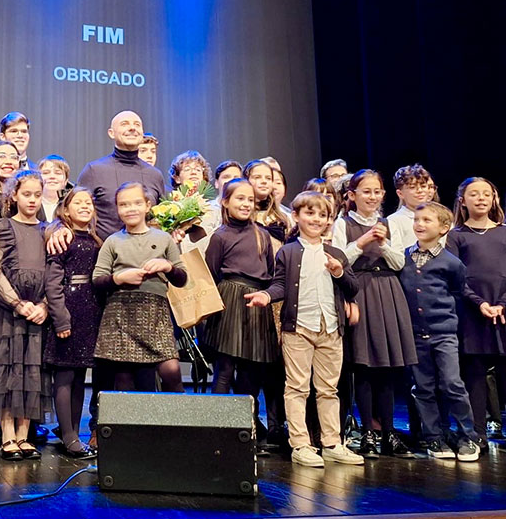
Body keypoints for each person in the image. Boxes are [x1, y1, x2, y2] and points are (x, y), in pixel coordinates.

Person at [269, 191, 363, 467]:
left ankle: (332, 442)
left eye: (322, 215)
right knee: (297, 387)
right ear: (296, 216)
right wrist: (266, 296)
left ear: (329, 221)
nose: (316, 219)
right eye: (309, 213)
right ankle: (300, 444)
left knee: (328, 389)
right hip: (298, 327)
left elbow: (353, 288)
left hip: (331, 327)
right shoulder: (288, 251)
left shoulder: (335, 253)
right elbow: (279, 285)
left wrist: (338, 272)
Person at [446, 177, 506, 458]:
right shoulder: (456, 235)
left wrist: (504, 303)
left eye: (487, 193)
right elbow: (454, 276)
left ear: (494, 199)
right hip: (474, 312)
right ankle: (478, 435)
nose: (481, 199)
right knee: (474, 375)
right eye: (474, 194)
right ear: (463, 200)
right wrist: (480, 303)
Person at [332, 169, 416, 458]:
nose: (372, 196)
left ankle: (389, 432)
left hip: (388, 291)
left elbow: (399, 262)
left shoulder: (387, 224)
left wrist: (381, 243)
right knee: (364, 366)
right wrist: (364, 241)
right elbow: (340, 259)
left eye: (377, 191)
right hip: (359, 290)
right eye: (365, 191)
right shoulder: (343, 224)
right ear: (352, 196)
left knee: (388, 366)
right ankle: (367, 430)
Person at [202, 178, 284, 452]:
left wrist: (268, 296)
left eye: (250, 199)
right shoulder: (221, 236)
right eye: (239, 198)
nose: (246, 204)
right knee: (224, 369)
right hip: (229, 302)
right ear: (225, 201)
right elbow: (211, 275)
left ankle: (246, 430)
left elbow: (272, 275)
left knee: (252, 373)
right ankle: (218, 429)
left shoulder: (262, 235)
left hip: (256, 304)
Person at [399, 202, 480, 462]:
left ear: (444, 228)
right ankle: (434, 436)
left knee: (451, 383)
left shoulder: (451, 263)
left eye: (427, 220)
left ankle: (468, 435)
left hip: (443, 333)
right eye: (417, 219)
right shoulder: (404, 257)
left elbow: (457, 294)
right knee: (423, 386)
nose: (419, 224)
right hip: (414, 334)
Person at [92, 182, 188, 392]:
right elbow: (98, 279)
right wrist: (119, 278)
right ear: (117, 209)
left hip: (155, 312)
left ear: (147, 205)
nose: (130, 209)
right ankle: (130, 425)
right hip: (121, 312)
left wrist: (168, 266)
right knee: (125, 378)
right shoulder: (113, 241)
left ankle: (178, 422)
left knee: (171, 370)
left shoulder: (163, 239)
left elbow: (182, 278)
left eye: (136, 203)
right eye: (124, 204)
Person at [0, 170, 51, 460]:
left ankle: (25, 436)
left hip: (37, 311)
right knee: (8, 372)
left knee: (31, 372)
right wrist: (16, 303)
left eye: (37, 195)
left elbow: (55, 273)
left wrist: (44, 305)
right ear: (14, 195)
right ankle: (7, 435)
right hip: (8, 313)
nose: (33, 200)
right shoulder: (3, 227)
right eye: (27, 194)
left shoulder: (47, 229)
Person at [43, 188, 101, 458]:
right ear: (65, 210)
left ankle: (75, 433)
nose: (85, 206)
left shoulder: (95, 240)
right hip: (69, 311)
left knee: (80, 377)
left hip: (89, 313)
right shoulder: (61, 239)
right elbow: (53, 284)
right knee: (64, 376)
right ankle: (67, 436)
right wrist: (61, 318)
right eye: (78, 202)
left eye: (88, 203)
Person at [72, 111, 165, 242]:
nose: (132, 128)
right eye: (124, 124)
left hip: (148, 257)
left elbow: (165, 220)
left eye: (137, 124)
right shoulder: (94, 171)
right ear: (111, 133)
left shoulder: (154, 175)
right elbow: (73, 211)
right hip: (103, 256)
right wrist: (59, 228)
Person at [387, 164, 438, 249]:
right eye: (412, 187)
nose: (420, 191)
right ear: (400, 194)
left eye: (423, 186)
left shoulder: (439, 216)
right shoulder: (393, 221)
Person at [38, 154, 71, 223]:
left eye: (58, 173)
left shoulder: (70, 206)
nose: (52, 176)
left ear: (66, 181)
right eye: (46, 173)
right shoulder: (32, 203)